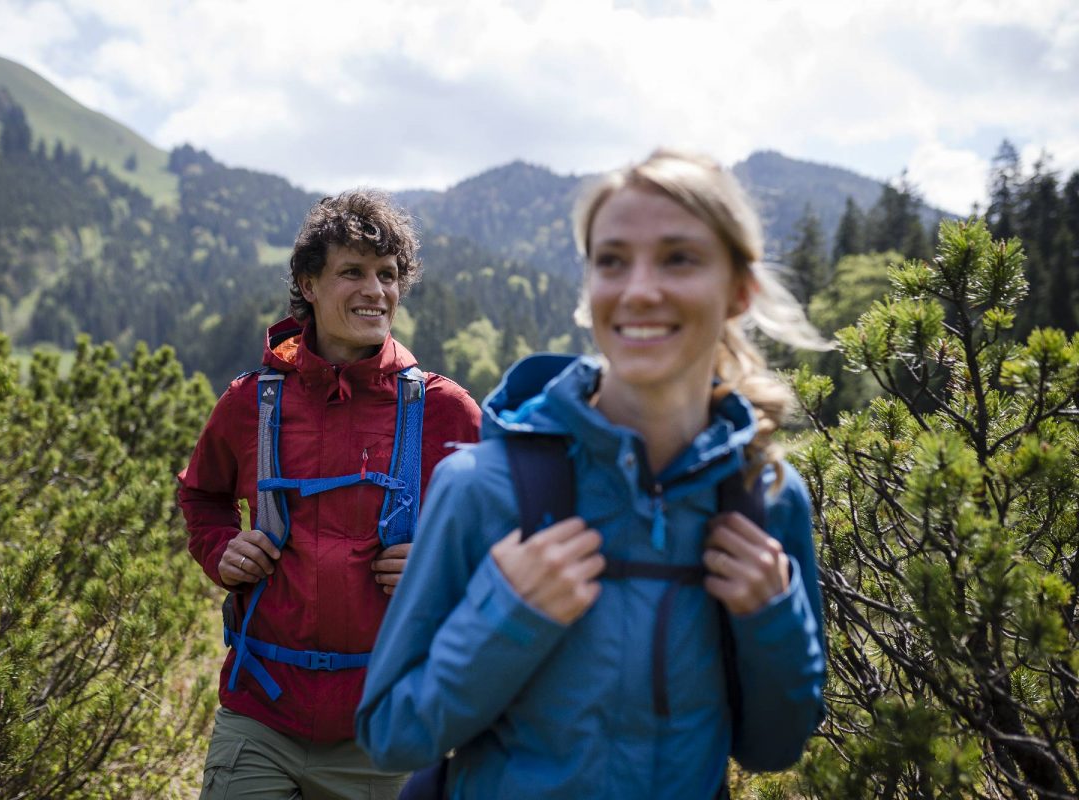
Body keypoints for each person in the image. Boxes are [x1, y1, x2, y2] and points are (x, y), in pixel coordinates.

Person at [356, 149, 828, 799]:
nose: (638, 289)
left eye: (678, 258)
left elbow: (774, 748)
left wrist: (774, 618)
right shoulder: (480, 487)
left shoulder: (767, 501)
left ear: (739, 291)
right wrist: (508, 617)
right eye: (612, 261)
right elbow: (390, 735)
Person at [179, 189, 482, 800]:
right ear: (308, 284)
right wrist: (220, 549)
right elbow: (202, 496)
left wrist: (440, 569)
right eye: (352, 272)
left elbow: (503, 539)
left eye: (388, 275)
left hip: (389, 726)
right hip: (261, 714)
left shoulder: (444, 410)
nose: (376, 291)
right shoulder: (251, 403)